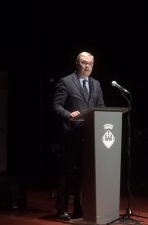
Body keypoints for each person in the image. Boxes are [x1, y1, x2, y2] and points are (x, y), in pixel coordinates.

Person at [52, 51, 105, 220]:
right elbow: (56, 106)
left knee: (84, 173)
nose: (87, 66)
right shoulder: (66, 82)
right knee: (67, 173)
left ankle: (80, 209)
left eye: (90, 63)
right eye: (83, 62)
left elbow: (101, 107)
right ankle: (62, 210)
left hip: (89, 135)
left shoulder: (96, 84)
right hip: (71, 134)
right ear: (77, 63)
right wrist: (68, 114)